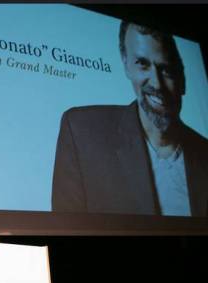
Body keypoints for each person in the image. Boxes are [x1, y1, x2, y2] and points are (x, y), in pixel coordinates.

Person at [52, 20, 208, 217]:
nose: (157, 84)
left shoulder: (204, 152)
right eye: (142, 64)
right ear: (126, 65)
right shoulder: (81, 132)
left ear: (182, 79)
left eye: (166, 69)